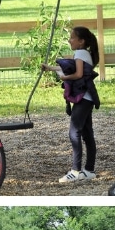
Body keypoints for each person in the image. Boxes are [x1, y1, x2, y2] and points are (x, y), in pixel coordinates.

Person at [42, 26, 102, 184]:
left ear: (81, 41)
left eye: (72, 38)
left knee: (74, 132)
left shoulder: (80, 53)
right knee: (87, 133)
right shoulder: (84, 53)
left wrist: (64, 78)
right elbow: (73, 67)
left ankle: (75, 171)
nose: (69, 40)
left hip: (83, 99)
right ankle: (89, 170)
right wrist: (51, 69)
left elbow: (78, 74)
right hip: (88, 98)